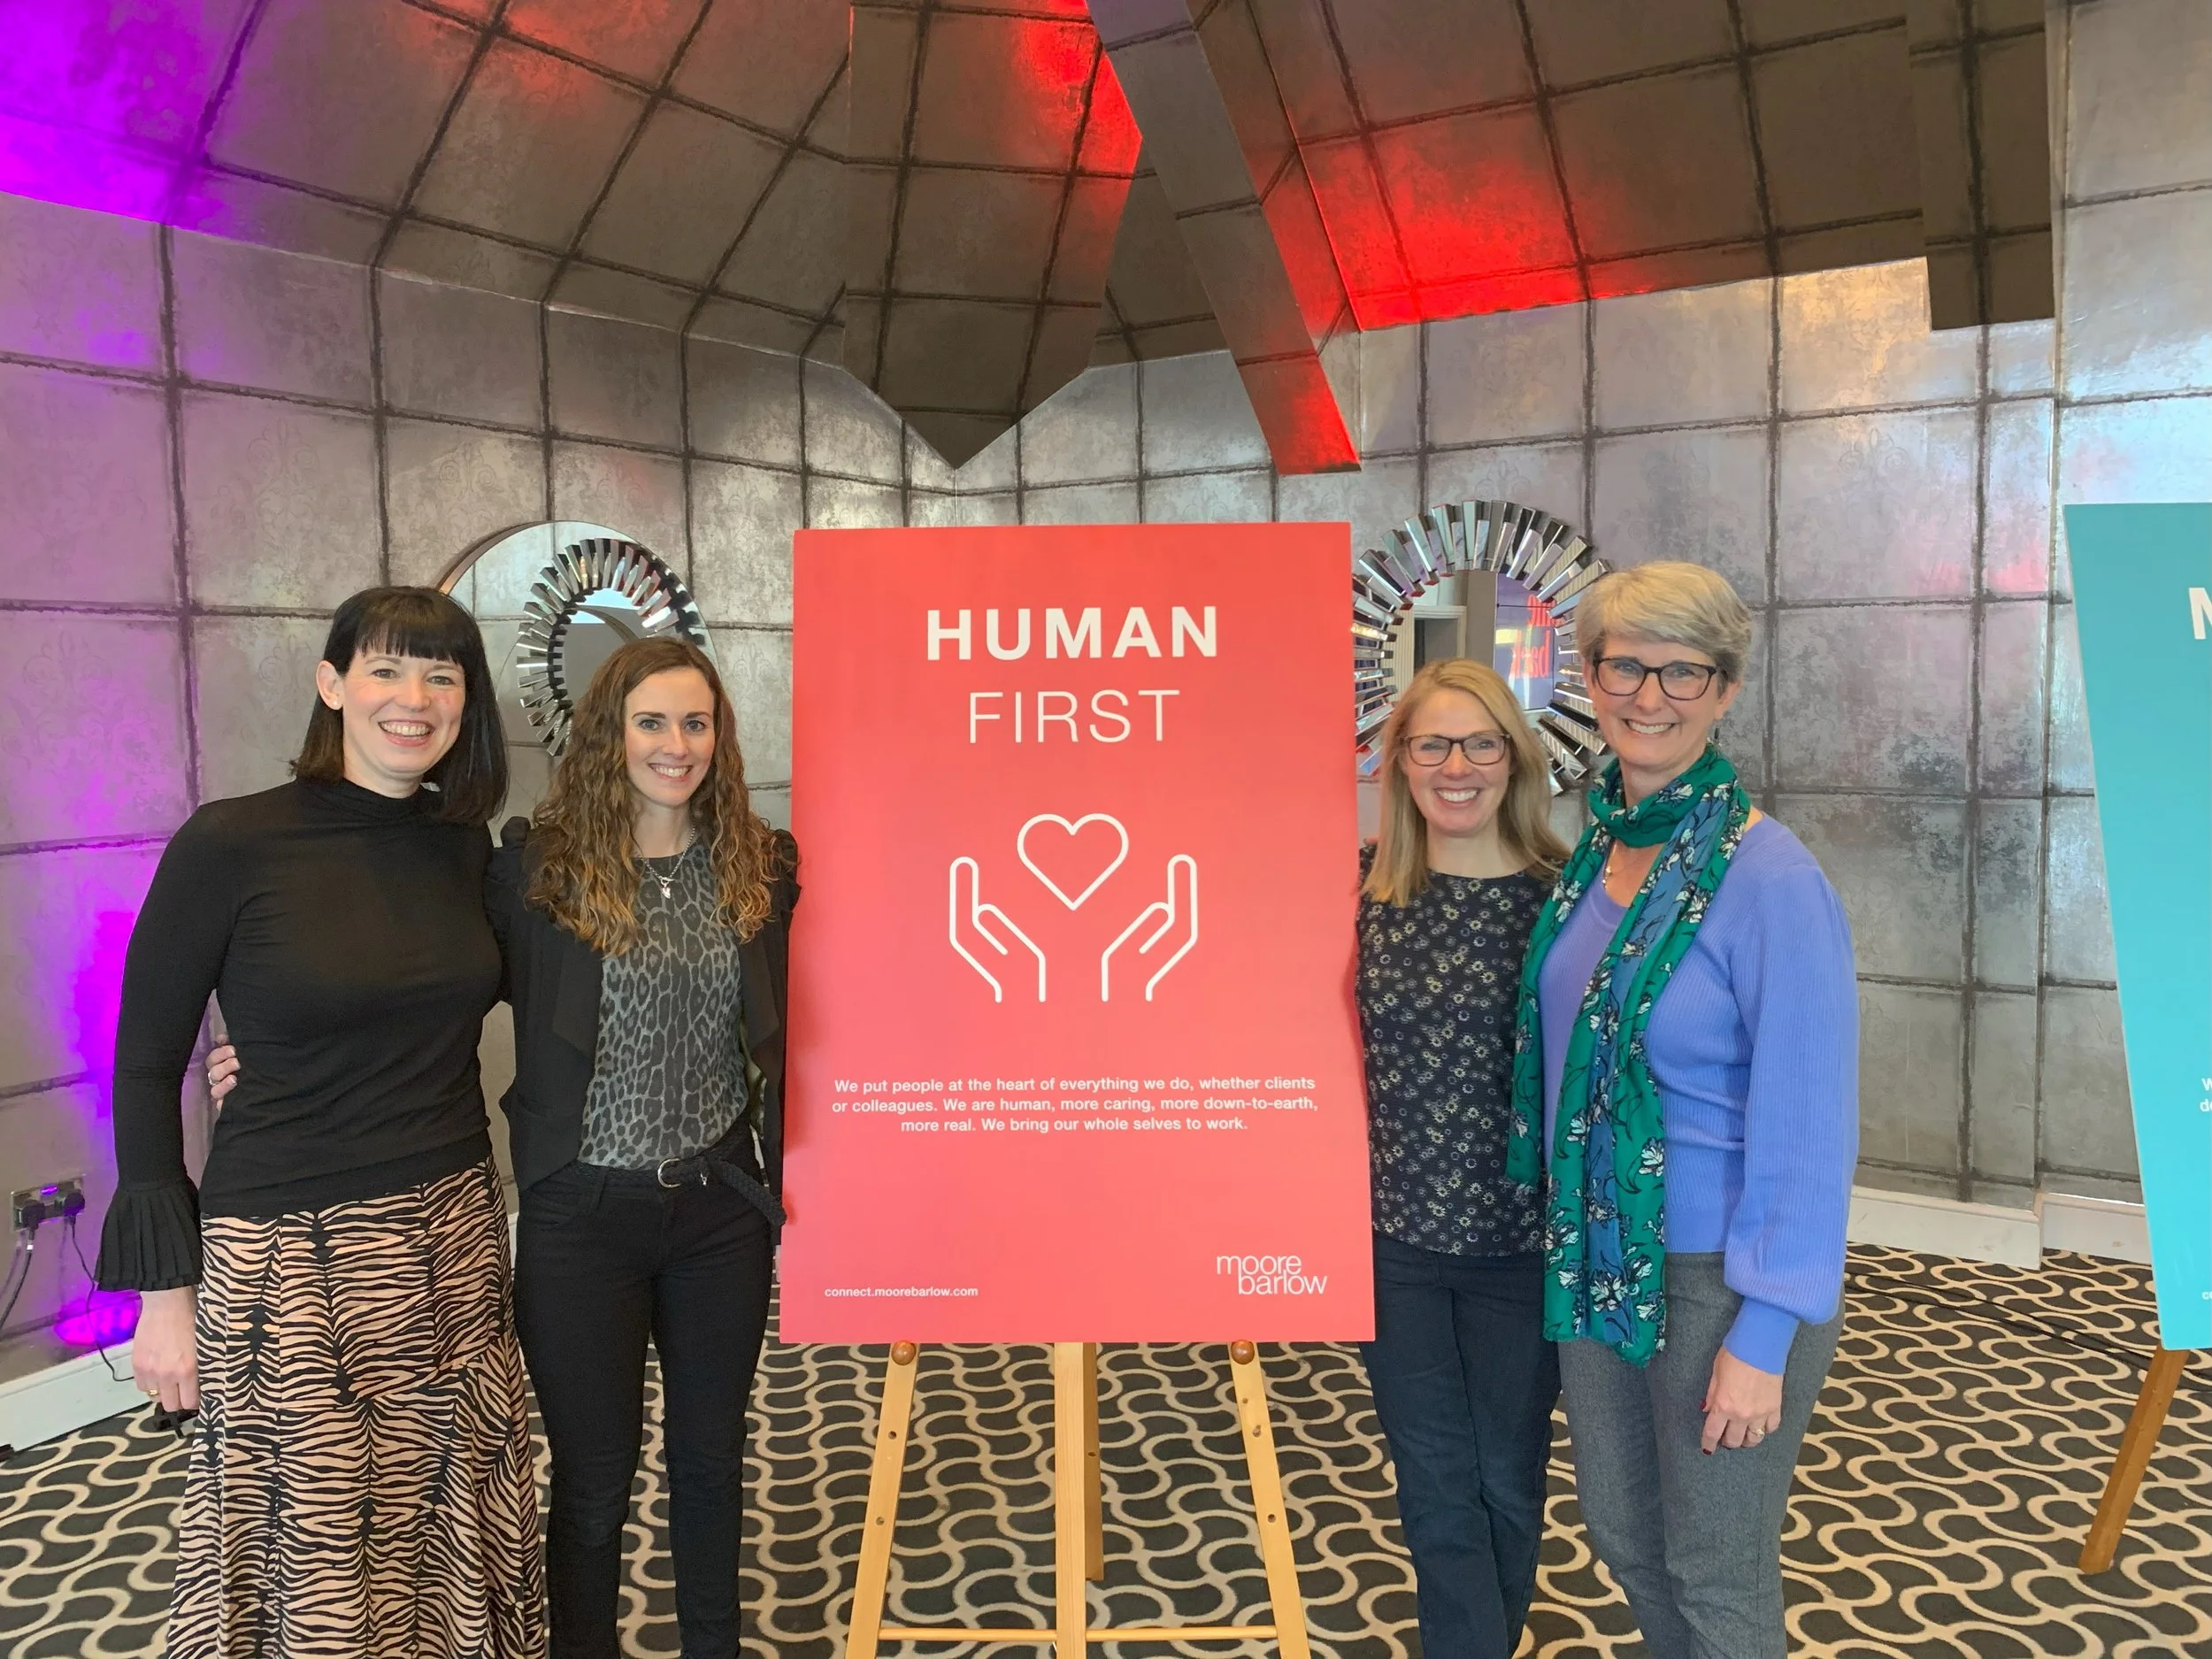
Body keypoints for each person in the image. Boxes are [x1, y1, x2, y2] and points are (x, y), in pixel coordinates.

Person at [211, 634, 797, 1659]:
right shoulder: (535, 872)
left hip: (719, 1214)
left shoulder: (761, 865)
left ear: (720, 735)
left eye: (695, 722)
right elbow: (428, 984)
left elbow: (827, 993)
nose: (676, 744)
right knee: (593, 1483)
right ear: (609, 733)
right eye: (650, 722)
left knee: (713, 1466)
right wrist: (283, 1061)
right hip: (581, 1221)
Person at [98, 587, 542, 1659]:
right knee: (315, 1550)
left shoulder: (462, 846)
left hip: (452, 1235)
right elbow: (145, 1065)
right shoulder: (232, 842)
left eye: (441, 675)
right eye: (386, 670)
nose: (413, 698)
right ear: (333, 685)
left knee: (448, 1519)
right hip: (292, 1258)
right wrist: (166, 1297)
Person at [1506, 561, 1857, 1659]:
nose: (1648, 696)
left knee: (1715, 1568)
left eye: (1682, 672)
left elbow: (1810, 1128)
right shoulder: (1598, 849)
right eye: (1625, 667)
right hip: (1600, 1252)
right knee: (1626, 1539)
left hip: (1718, 1281)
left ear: (1724, 689)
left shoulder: (1770, 878)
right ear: (1590, 678)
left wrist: (1766, 1331)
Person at [1356, 657, 1569, 1659]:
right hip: (1392, 1242)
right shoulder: (1359, 890)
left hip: (1522, 1247)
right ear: (1399, 761)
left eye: (1481, 742)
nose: (1457, 765)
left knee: (1507, 1482)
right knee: (1437, 1485)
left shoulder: (1565, 903)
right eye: (1432, 743)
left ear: (1514, 761)